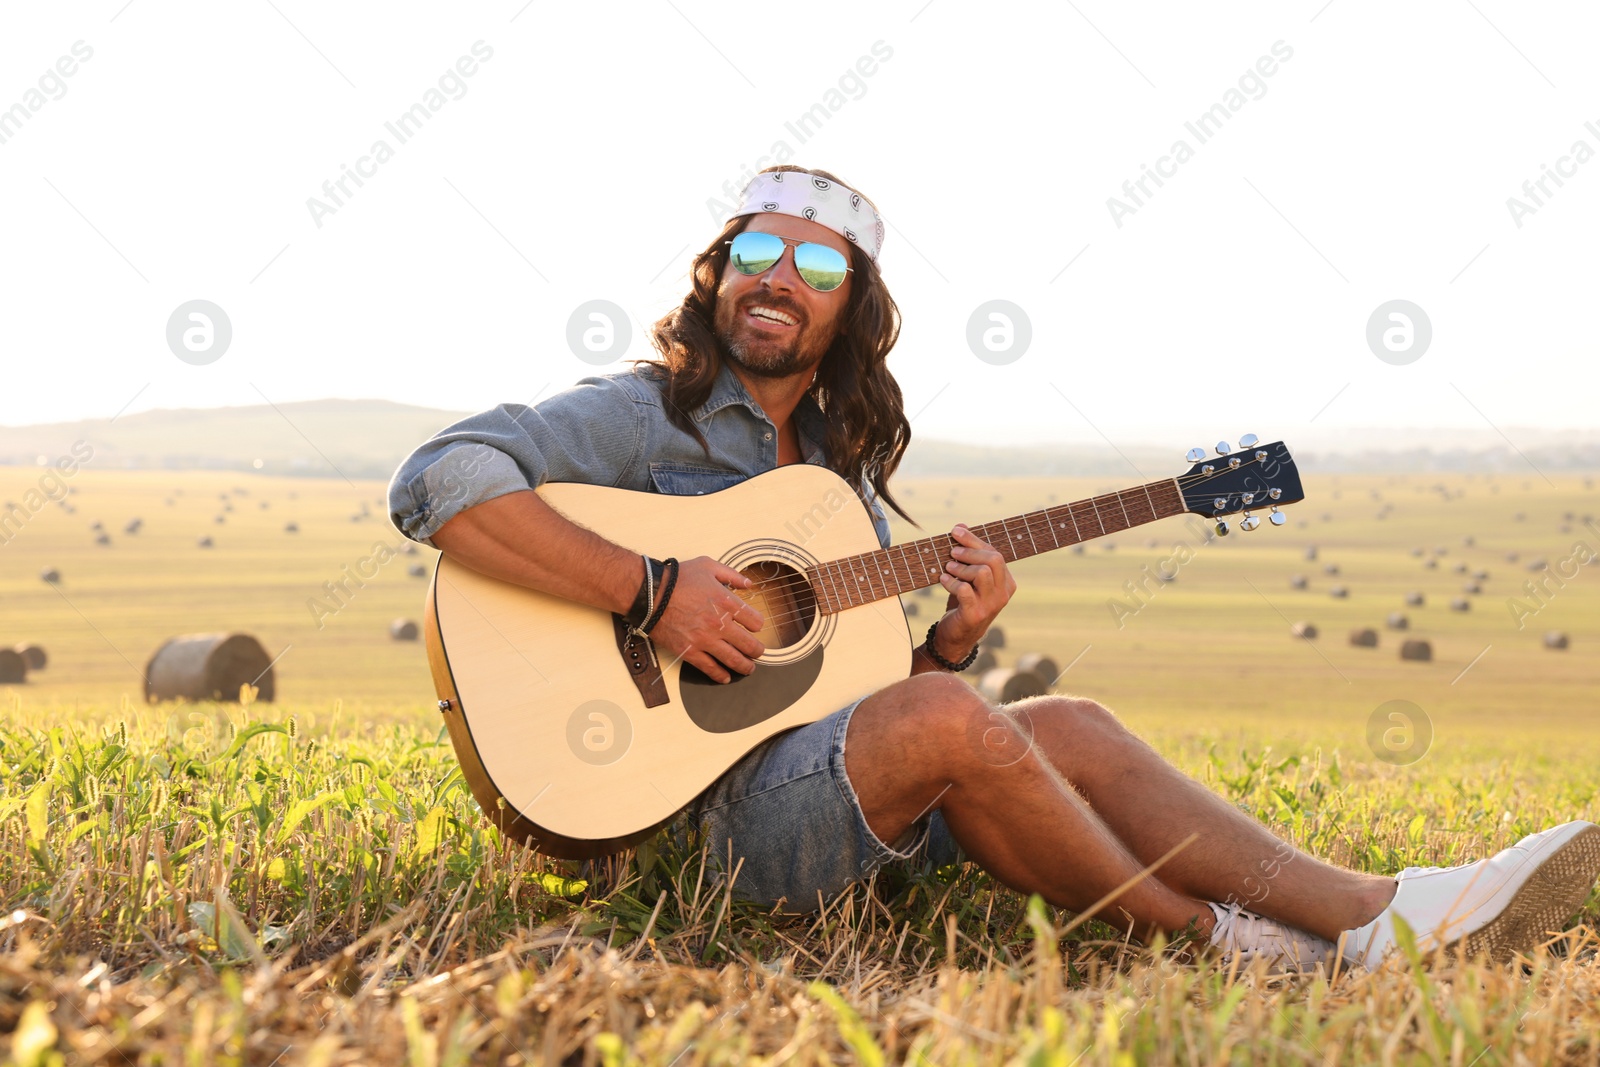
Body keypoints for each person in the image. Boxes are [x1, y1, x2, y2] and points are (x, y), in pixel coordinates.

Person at [389, 165, 1600, 972]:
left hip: (800, 796)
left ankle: (1377, 907)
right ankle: (1224, 941)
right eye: (759, 248)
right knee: (956, 716)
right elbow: (437, 481)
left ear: (850, 309)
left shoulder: (829, 485)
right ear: (717, 271)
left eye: (817, 269)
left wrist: (949, 647)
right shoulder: (638, 417)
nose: (778, 278)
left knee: (1061, 716)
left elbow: (854, 699)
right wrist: (648, 590)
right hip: (679, 827)